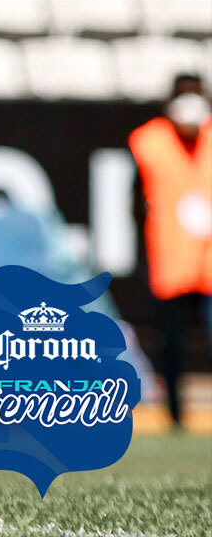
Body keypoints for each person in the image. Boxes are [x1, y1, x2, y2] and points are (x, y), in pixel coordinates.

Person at [128, 71, 212, 431]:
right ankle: (176, 416)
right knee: (172, 342)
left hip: (209, 258)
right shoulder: (150, 141)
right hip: (171, 257)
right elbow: (135, 201)